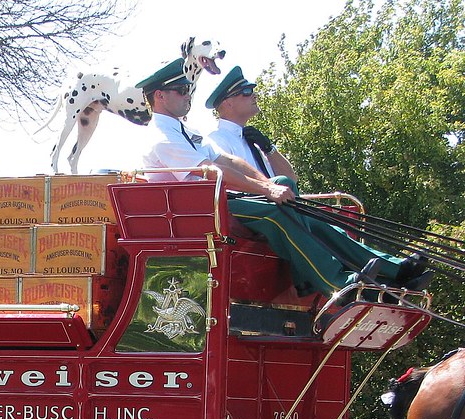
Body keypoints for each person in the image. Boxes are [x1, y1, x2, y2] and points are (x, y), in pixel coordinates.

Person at [136, 58, 430, 295]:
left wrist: (269, 185)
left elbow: (228, 160)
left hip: (215, 204)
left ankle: (392, 271)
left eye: (188, 89)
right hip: (195, 212)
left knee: (300, 205)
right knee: (276, 214)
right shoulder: (161, 136)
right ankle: (338, 283)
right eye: (181, 90)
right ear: (160, 96)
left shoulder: (186, 131)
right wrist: (267, 192)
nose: (188, 95)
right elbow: (213, 172)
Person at [204, 67, 296, 183]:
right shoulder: (217, 141)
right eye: (247, 91)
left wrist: (269, 149)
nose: (254, 95)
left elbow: (291, 179)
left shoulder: (254, 140)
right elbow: (230, 183)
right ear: (228, 102)